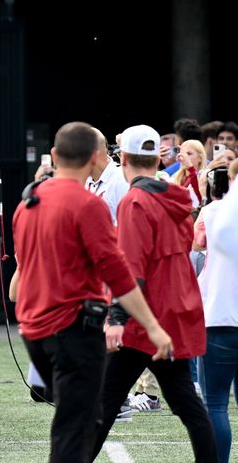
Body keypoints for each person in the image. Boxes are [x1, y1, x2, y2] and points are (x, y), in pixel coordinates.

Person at [10, 122, 174, 463]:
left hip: (33, 328)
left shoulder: (26, 204)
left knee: (78, 419)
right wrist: (153, 327)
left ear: (54, 155)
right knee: (76, 427)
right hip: (73, 329)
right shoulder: (89, 205)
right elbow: (118, 273)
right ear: (96, 157)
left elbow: (23, 269)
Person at [89, 125, 215, 461]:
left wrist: (117, 317)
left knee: (101, 408)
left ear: (124, 158)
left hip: (143, 321)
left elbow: (132, 267)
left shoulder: (136, 200)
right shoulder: (175, 197)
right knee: (189, 407)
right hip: (174, 314)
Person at [194, 157, 238, 460]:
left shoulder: (213, 211)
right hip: (222, 312)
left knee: (216, 403)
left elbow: (198, 242)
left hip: (221, 314)